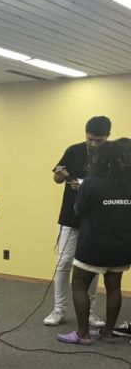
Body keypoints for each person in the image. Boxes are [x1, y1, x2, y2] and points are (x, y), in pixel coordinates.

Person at [57, 139, 131, 345]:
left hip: (93, 245)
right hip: (122, 246)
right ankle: (107, 333)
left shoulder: (90, 183)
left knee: (79, 285)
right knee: (114, 287)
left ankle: (83, 334)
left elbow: (78, 210)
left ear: (103, 159)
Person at [44, 116, 111, 327]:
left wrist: (85, 185)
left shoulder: (112, 156)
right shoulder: (73, 150)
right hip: (69, 216)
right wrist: (60, 175)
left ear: (108, 137)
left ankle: (89, 312)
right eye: (90, 139)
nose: (94, 144)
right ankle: (59, 310)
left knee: (92, 266)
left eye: (99, 140)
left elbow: (112, 185)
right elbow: (56, 178)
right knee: (64, 263)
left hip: (96, 218)